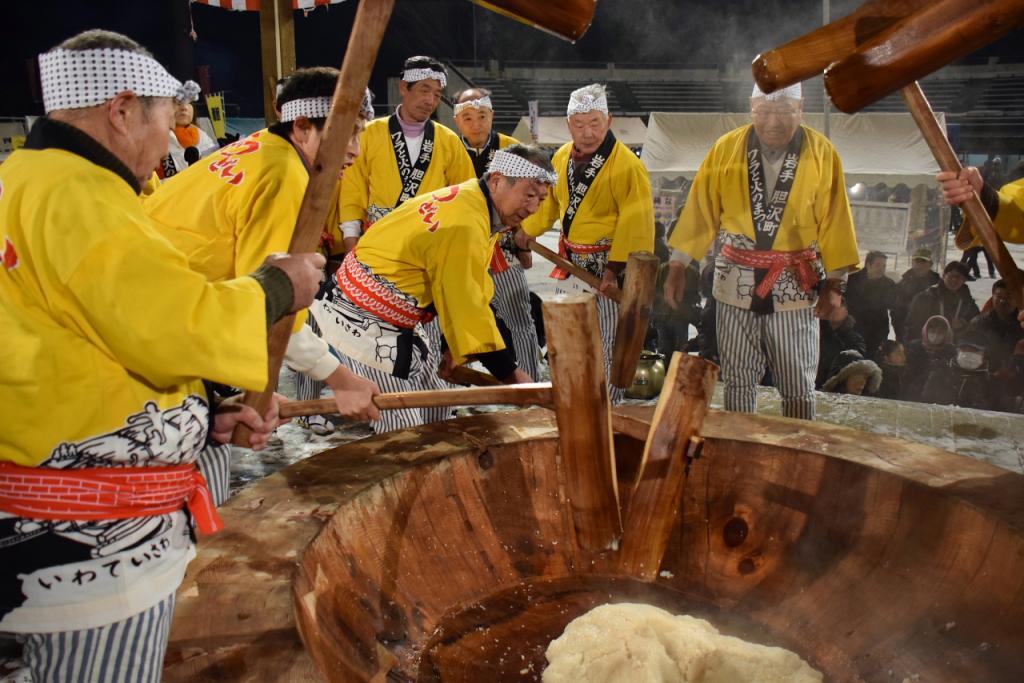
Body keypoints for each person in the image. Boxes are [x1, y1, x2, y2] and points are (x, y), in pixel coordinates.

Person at [0, 30, 325, 681]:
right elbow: (175, 323)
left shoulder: (23, 177)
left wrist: (200, 417)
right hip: (89, 543)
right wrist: (281, 285)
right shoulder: (80, 195)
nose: (168, 141)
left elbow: (91, 343)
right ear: (121, 111)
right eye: (162, 118)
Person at [145, 67, 381, 478]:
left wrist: (254, 385)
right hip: (161, 333)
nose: (356, 151)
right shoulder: (284, 176)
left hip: (166, 310)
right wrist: (342, 379)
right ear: (303, 126)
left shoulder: (263, 148)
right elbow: (272, 305)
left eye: (361, 134)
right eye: (349, 132)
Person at [314, 145, 553, 433]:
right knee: (402, 426)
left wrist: (454, 349)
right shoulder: (465, 223)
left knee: (438, 405)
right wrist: (512, 376)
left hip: (397, 312)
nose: (533, 208)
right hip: (361, 316)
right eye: (528, 195)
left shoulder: (474, 201)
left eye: (540, 199)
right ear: (498, 180)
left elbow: (469, 287)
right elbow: (467, 306)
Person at [664, 82, 859, 420]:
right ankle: (741, 448)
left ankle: (797, 448)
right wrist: (679, 265)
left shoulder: (823, 153)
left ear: (801, 108)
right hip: (734, 283)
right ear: (751, 107)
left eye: (784, 111)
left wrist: (836, 284)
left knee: (798, 382)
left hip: (794, 287)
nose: (773, 122)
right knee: (738, 379)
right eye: (765, 111)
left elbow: (836, 218)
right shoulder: (726, 148)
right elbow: (700, 208)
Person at [517, 83, 655, 403]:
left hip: (606, 271)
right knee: (574, 341)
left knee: (606, 346)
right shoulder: (562, 156)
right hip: (571, 266)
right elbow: (551, 203)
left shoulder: (627, 165)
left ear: (609, 121)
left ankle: (607, 411)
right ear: (569, 125)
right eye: (579, 124)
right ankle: (577, 405)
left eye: (595, 123)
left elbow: (635, 222)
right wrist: (529, 229)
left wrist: (613, 270)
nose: (588, 132)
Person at [452, 87, 542, 382]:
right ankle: (450, 385)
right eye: (467, 117)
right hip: (460, 248)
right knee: (452, 319)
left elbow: (535, 195)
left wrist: (524, 236)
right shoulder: (447, 148)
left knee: (518, 315)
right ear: (457, 121)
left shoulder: (514, 150)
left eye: (481, 116)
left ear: (492, 115)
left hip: (501, 248)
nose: (476, 123)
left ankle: (531, 383)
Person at [339, 56, 475, 249]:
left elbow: (466, 193)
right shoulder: (369, 133)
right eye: (424, 90)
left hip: (431, 242)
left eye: (437, 95)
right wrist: (350, 239)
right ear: (403, 87)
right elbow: (352, 189)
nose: (430, 100)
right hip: (379, 241)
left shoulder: (448, 140)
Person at [903, 261, 980, 343]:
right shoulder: (925, 298)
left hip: (957, 349)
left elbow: (977, 327)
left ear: (964, 280)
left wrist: (964, 325)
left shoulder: (968, 302)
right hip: (928, 348)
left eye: (959, 277)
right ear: (943, 276)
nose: (954, 280)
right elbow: (912, 327)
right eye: (952, 276)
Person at [159, 81, 218, 179]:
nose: (184, 108)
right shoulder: (157, 140)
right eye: (178, 103)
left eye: (189, 103)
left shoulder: (203, 136)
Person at [845, 250, 897, 357]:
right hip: (855, 328)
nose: (881, 269)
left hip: (878, 331)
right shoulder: (852, 280)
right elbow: (843, 302)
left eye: (884, 266)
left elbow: (894, 307)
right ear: (868, 264)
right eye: (878, 265)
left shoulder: (889, 284)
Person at [968, 279, 1023, 375]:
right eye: (999, 296)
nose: (1003, 300)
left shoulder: (1022, 324)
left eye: (1009, 296)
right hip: (985, 377)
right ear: (992, 297)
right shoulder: (979, 323)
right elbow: (970, 352)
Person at [891, 248, 940, 342]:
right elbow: (895, 310)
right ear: (912, 262)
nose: (919, 265)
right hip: (907, 332)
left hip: (932, 333)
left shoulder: (938, 283)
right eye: (917, 261)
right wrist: (900, 332)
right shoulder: (903, 282)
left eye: (923, 261)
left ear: (930, 264)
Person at [816, 299, 866, 389]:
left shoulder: (855, 339)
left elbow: (854, 365)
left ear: (846, 311)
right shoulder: (817, 332)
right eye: (831, 307)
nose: (834, 310)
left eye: (838, 307)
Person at [905, 315, 957, 402]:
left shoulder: (952, 353)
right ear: (926, 331)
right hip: (912, 397)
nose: (936, 335)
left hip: (942, 398)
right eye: (932, 331)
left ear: (946, 334)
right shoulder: (913, 348)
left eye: (940, 333)